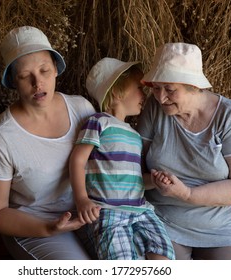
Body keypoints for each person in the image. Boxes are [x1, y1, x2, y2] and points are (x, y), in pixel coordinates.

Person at [0, 26, 96, 259]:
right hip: (35, 226)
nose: (37, 83)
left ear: (56, 70)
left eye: (44, 71)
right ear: (12, 80)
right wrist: (48, 228)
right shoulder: (3, 135)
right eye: (24, 76)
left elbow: (103, 167)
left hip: (87, 214)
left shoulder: (81, 109)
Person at [136, 42, 231, 260]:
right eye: (156, 87)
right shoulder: (155, 108)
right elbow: (135, 167)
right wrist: (154, 181)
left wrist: (187, 194)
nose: (160, 97)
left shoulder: (229, 115)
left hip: (220, 228)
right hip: (163, 221)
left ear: (194, 86)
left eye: (170, 89)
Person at [69, 57, 175, 260]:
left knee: (163, 253)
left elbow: (133, 177)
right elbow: (77, 160)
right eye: (138, 87)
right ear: (117, 92)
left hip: (141, 210)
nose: (144, 95)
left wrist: (153, 180)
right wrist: (81, 199)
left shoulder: (134, 134)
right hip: (109, 212)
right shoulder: (98, 122)